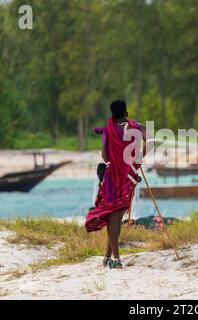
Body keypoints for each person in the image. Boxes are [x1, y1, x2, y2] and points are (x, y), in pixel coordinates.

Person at [85, 100, 147, 269]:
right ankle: (109, 258)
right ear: (126, 113)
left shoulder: (108, 130)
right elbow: (148, 145)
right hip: (129, 177)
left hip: (113, 178)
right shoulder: (137, 127)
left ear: (112, 115)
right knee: (117, 219)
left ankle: (116, 260)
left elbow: (106, 158)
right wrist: (137, 163)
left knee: (113, 220)